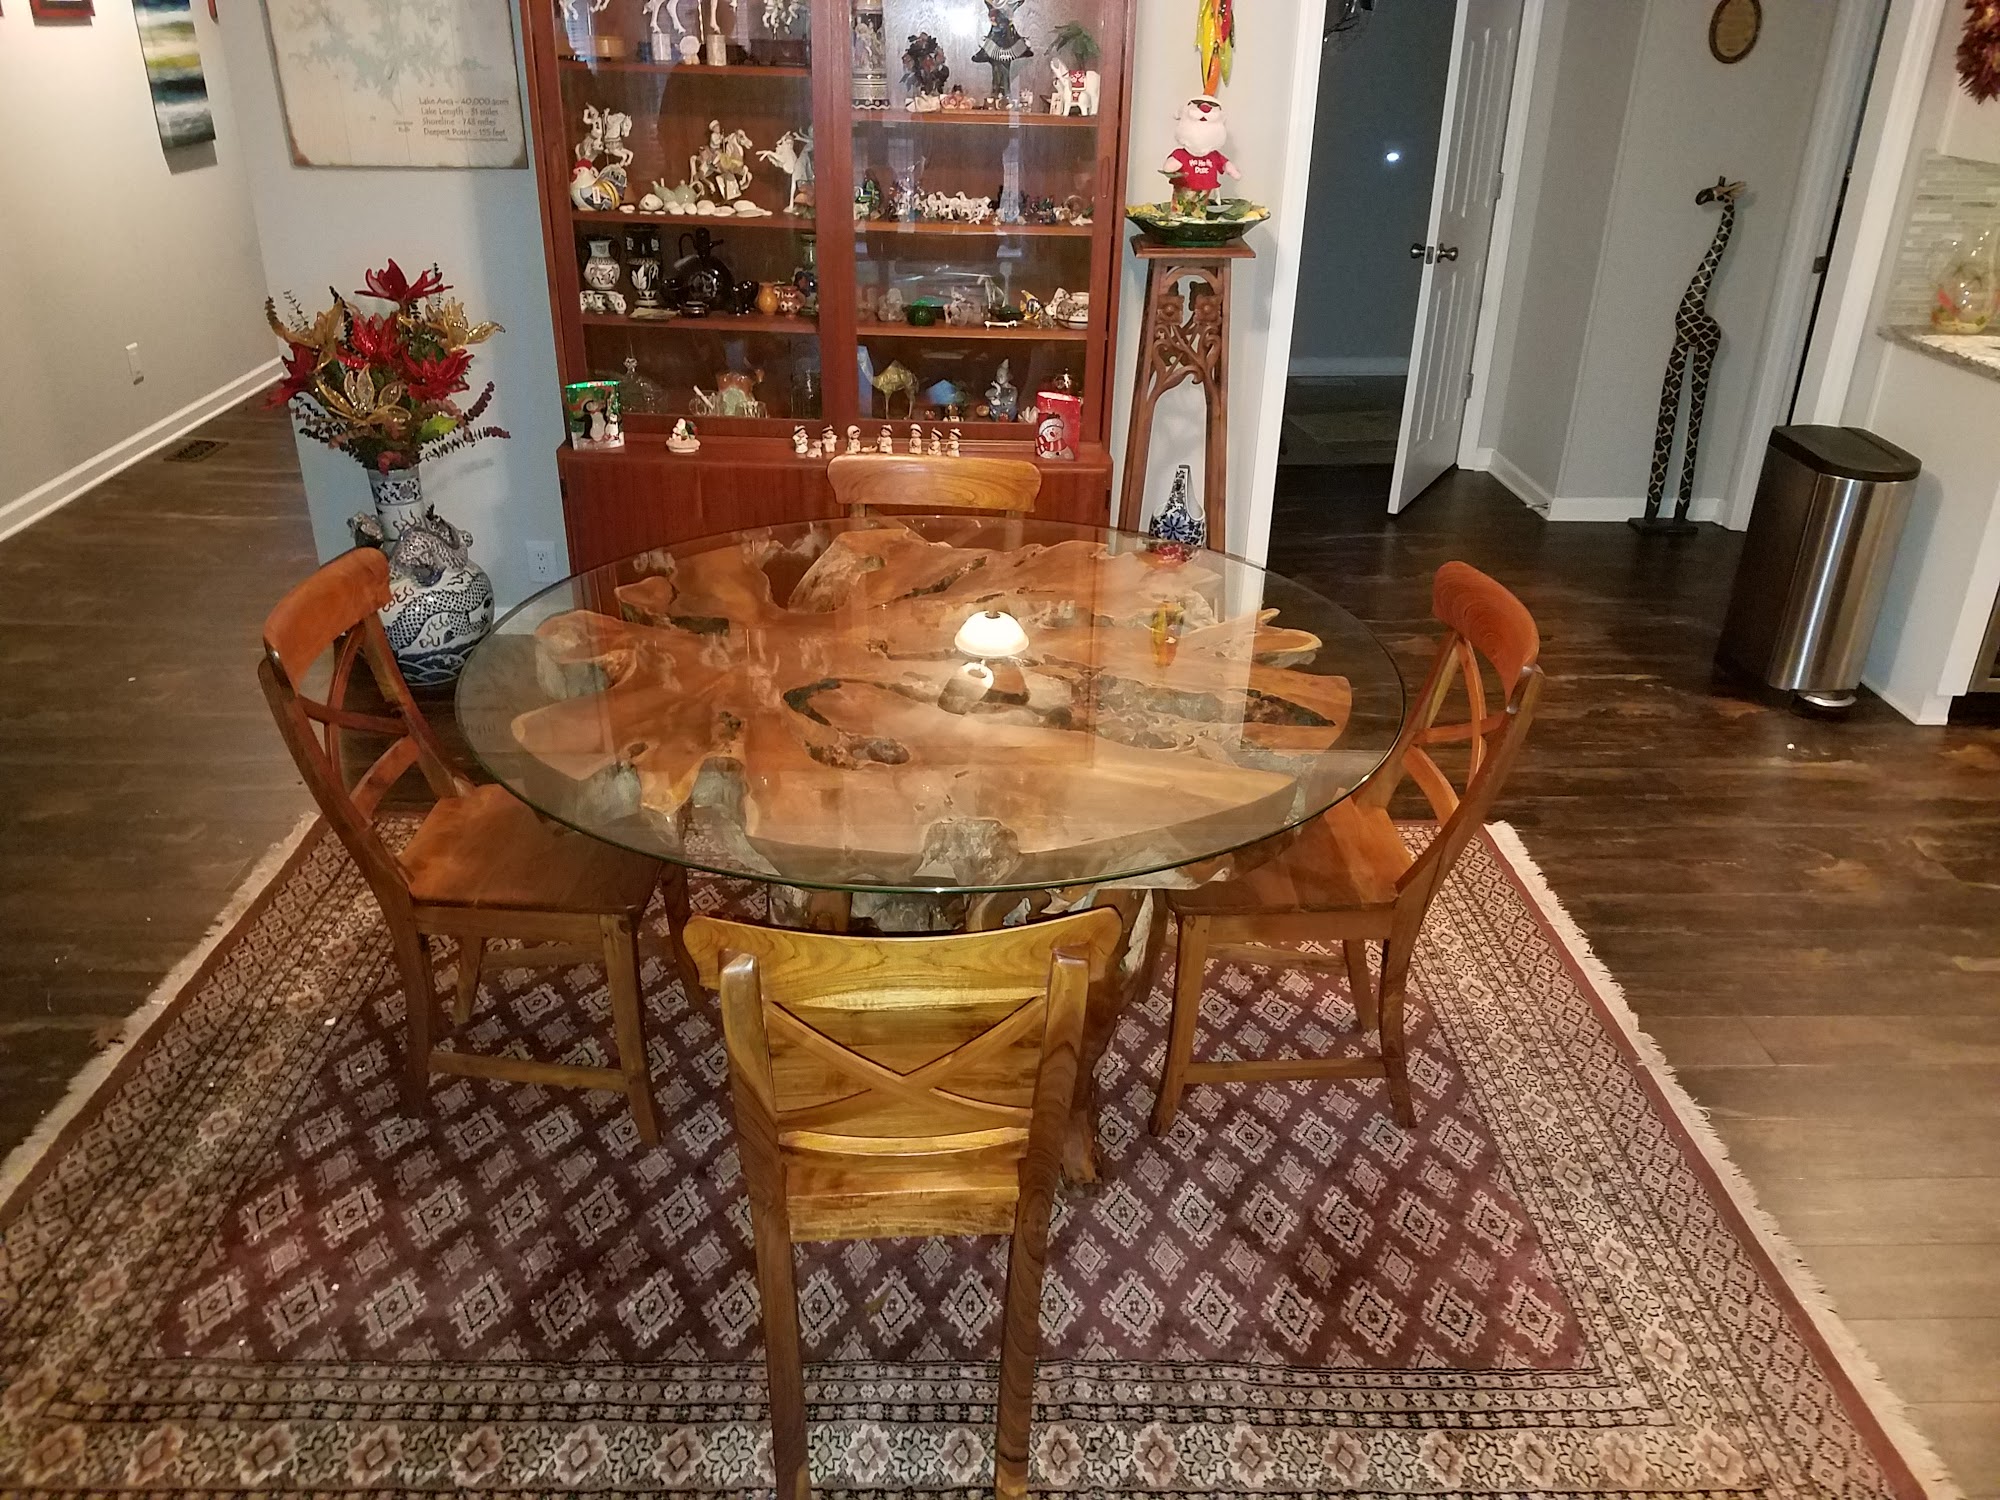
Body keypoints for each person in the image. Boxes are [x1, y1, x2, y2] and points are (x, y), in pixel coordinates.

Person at [1162, 94, 1239, 216]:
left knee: (1199, 211)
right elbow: (1170, 166)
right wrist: (1169, 168)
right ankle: (1177, 218)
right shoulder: (1181, 154)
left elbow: (1226, 165)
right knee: (1179, 210)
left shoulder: (1214, 155)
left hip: (1205, 190)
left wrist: (1234, 172)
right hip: (1183, 188)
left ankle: (1198, 218)